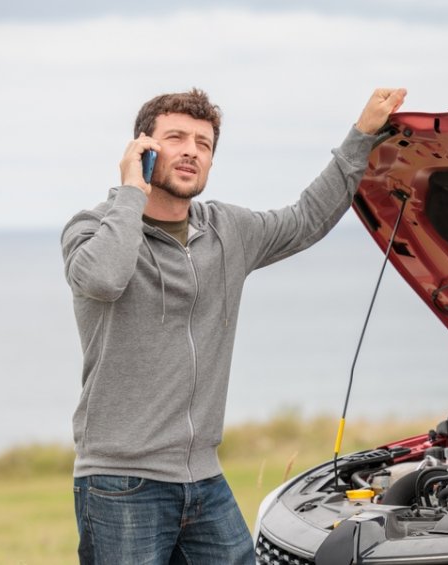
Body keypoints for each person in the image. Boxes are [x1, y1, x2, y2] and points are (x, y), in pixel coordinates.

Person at [61, 87, 406, 564]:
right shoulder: (92, 229)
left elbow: (306, 218)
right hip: (122, 483)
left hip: (203, 479)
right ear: (141, 149)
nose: (191, 151)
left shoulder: (226, 231)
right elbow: (102, 278)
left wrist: (362, 135)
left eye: (203, 144)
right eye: (176, 138)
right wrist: (129, 194)